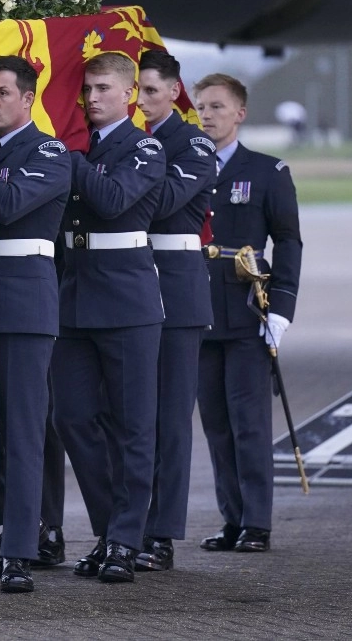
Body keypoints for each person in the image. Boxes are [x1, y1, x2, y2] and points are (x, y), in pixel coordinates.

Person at [52, 51, 166, 584]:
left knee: (132, 426)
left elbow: (115, 199)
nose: (91, 98)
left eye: (102, 89)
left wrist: (71, 157)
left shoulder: (143, 147)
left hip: (125, 302)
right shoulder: (80, 146)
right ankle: (108, 530)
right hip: (74, 297)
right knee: (73, 418)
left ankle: (126, 539)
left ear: (128, 94)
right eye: (87, 90)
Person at [0, 55, 70, 593]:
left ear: (28, 98)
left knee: (24, 430)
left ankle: (21, 548)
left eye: (3, 93)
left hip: (24, 306)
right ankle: (13, 521)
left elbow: (5, 205)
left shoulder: (49, 152)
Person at [192, 73, 302, 553]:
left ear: (240, 113)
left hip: (245, 307)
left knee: (249, 421)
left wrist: (281, 310)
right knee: (215, 422)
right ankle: (232, 518)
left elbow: (289, 240)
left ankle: (258, 521)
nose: (207, 114)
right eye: (201, 106)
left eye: (217, 106)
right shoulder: (187, 167)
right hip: (198, 309)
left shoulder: (267, 171)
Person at [135, 50, 217, 571]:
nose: (139, 100)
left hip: (176, 288)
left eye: (148, 91)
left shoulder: (193, 143)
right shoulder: (120, 141)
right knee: (128, 414)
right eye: (135, 90)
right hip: (126, 281)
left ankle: (161, 531)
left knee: (168, 416)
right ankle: (127, 522)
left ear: (173, 91)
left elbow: (158, 201)